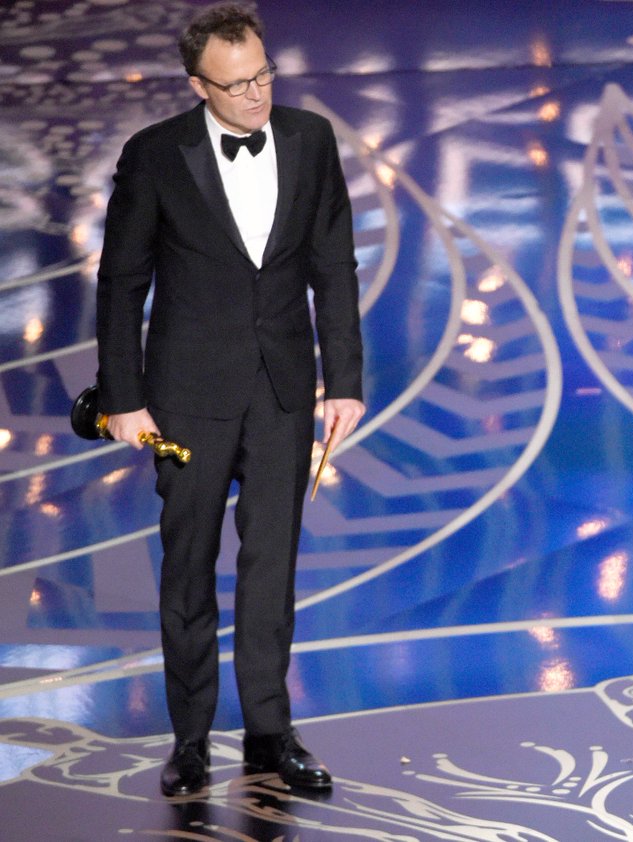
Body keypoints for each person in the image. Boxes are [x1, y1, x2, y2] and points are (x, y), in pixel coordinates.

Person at [94, 3, 366, 797]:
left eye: (264, 75)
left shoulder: (311, 139)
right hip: (184, 398)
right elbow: (122, 284)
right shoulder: (153, 156)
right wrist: (123, 398)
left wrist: (343, 383)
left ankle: (270, 733)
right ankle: (188, 740)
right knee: (187, 571)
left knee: (271, 570)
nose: (257, 95)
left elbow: (334, 265)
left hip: (282, 390)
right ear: (197, 85)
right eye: (238, 84)